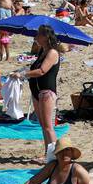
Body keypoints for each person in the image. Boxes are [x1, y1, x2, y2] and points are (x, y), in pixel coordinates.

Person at [19, 25, 61, 162]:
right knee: (43, 125)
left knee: (49, 126)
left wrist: (23, 74)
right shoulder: (43, 51)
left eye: (38, 35)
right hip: (37, 91)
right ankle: (47, 154)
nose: (35, 37)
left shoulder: (53, 53)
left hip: (47, 92)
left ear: (46, 37)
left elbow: (42, 71)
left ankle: (56, 155)